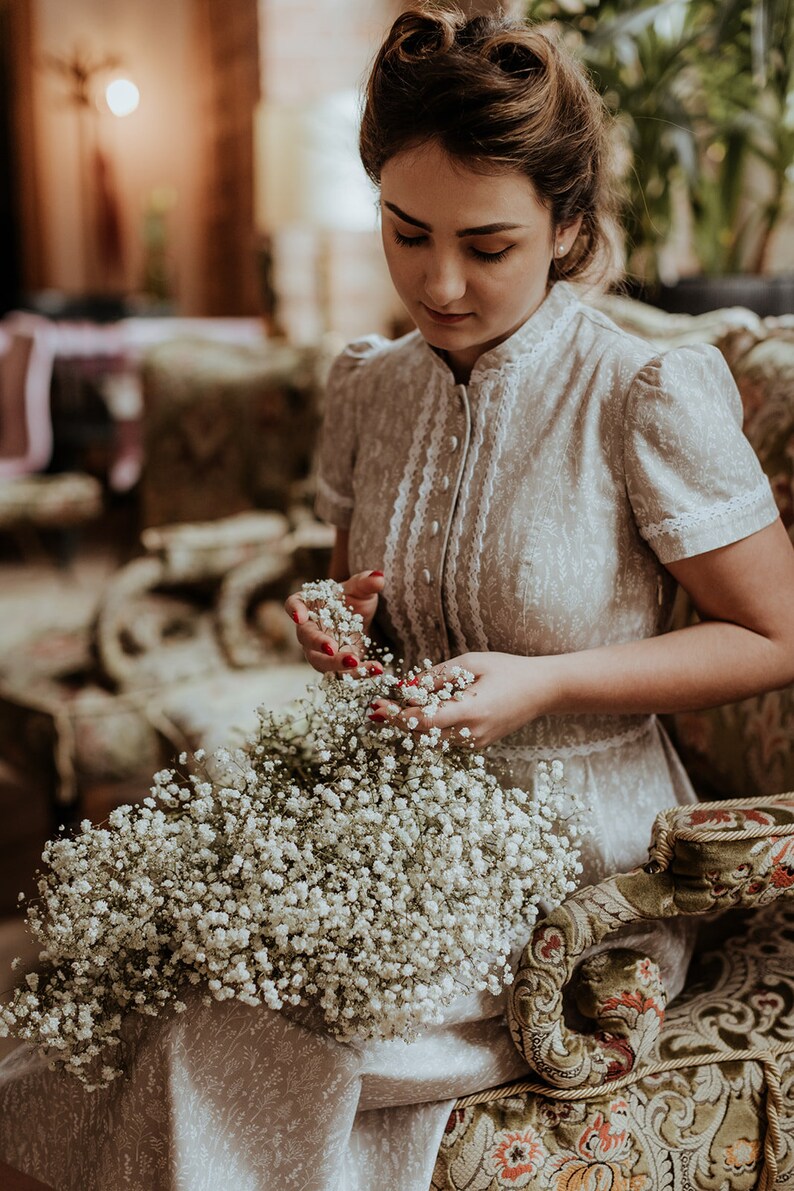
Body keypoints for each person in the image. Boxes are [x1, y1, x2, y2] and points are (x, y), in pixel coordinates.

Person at [1, 7, 792, 1191]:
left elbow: (775, 634)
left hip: (579, 859)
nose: (439, 281)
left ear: (566, 228)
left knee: (225, 1037)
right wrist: (337, 624)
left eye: (488, 244)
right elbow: (354, 597)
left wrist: (551, 682)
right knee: (117, 990)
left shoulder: (641, 391)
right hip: (381, 821)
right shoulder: (371, 390)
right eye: (405, 232)